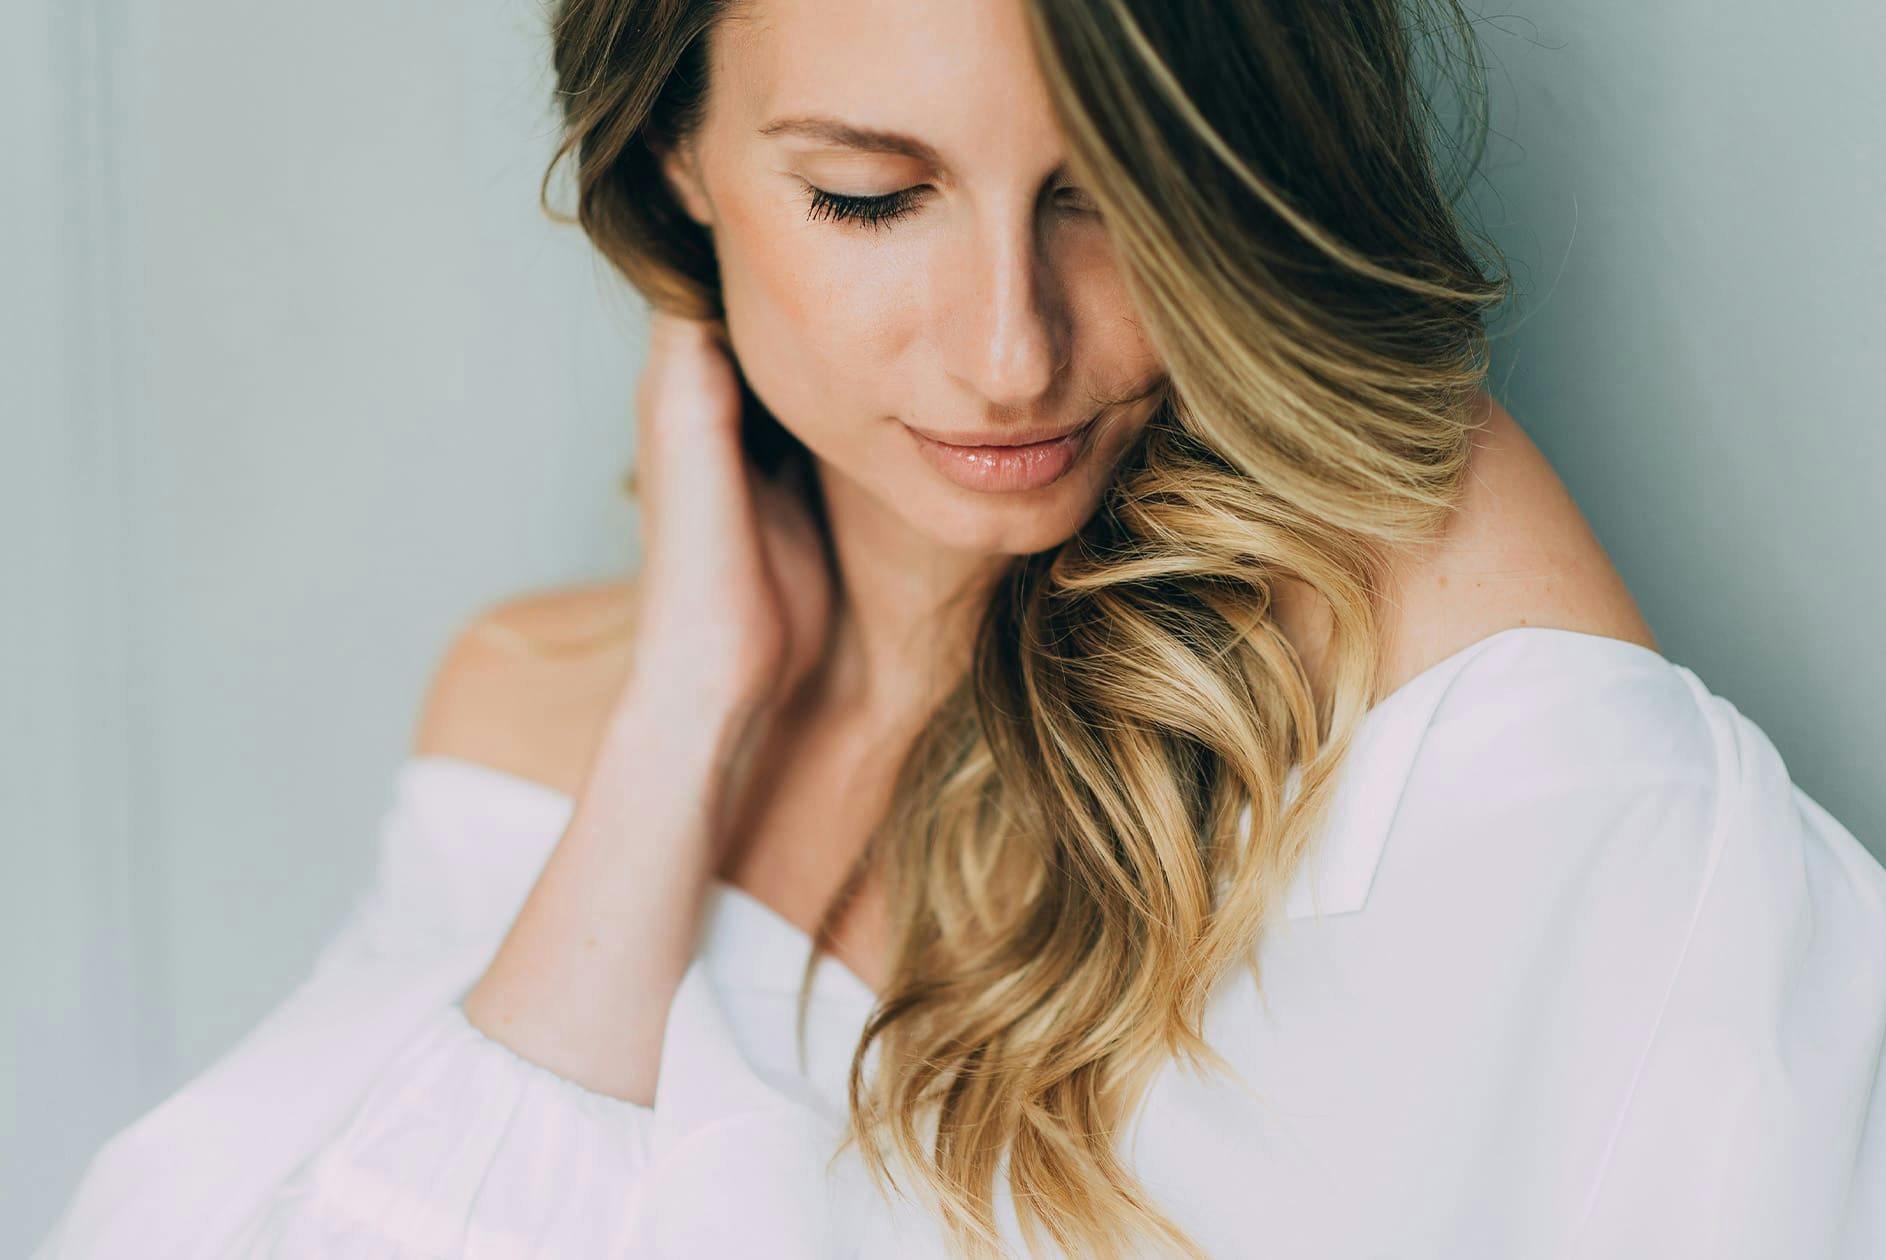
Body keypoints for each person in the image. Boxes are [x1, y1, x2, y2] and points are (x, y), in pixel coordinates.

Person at [35, 0, 1885, 1256]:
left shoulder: (1421, 652)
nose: (1011, 351)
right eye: (870, 196)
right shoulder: (532, 709)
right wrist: (684, 709)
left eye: (1113, 199)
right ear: (674, 153)